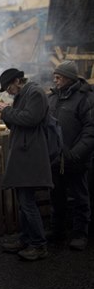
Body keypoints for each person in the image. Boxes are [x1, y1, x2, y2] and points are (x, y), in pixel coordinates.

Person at [0, 68, 52, 261]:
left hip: (31, 155)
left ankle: (38, 245)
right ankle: (26, 239)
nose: (8, 91)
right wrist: (7, 115)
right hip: (24, 154)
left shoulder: (35, 93)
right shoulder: (23, 94)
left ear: (18, 81)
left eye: (9, 87)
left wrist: (7, 111)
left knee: (27, 203)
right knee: (24, 202)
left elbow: (30, 119)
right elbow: (16, 122)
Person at [47, 61, 94, 251]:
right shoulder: (52, 98)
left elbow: (90, 130)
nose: (55, 80)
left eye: (58, 77)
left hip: (76, 159)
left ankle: (80, 233)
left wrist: (75, 154)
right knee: (56, 196)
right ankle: (57, 230)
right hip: (56, 159)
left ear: (69, 78)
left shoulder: (86, 99)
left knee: (79, 198)